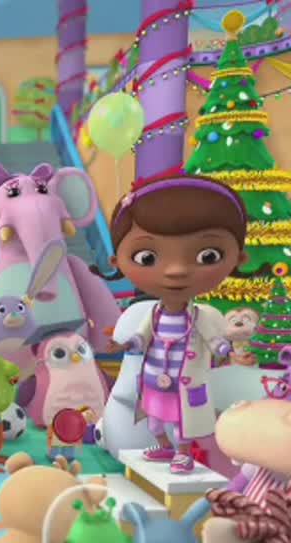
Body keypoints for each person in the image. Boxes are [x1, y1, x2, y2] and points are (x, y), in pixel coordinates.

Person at [108, 175, 246, 473]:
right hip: (153, 380)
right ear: (115, 262)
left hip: (184, 384)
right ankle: (164, 447)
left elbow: (214, 340)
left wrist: (226, 349)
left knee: (184, 423)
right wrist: (128, 344)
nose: (176, 270)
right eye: (147, 257)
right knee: (154, 421)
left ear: (239, 258)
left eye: (208, 256)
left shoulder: (200, 316)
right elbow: (142, 336)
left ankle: (183, 453)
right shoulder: (153, 313)